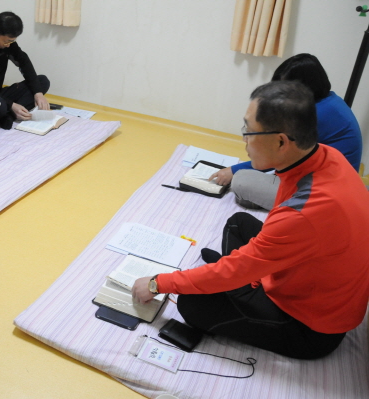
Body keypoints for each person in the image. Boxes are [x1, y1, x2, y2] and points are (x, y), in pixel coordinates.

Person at [132, 81, 369, 359]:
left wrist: (156, 283)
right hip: (311, 277)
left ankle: (230, 283)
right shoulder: (327, 156)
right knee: (238, 222)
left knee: (192, 303)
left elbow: (243, 264)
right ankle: (234, 280)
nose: (244, 140)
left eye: (249, 132)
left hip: (311, 327)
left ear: (281, 141)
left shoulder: (303, 213)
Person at [210, 53, 363, 210]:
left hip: (325, 194)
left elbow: (275, 154)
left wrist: (233, 170)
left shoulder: (315, 115)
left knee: (241, 182)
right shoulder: (330, 102)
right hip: (336, 182)